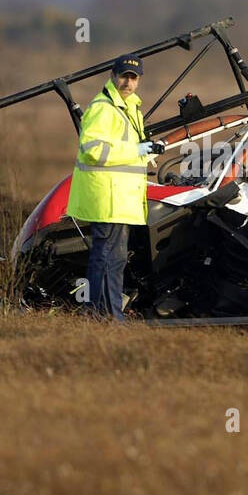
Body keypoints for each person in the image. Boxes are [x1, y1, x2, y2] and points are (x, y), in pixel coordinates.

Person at [66, 53, 165, 320]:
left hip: (120, 199)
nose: (128, 83)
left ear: (139, 80)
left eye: (133, 78)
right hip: (107, 199)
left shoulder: (130, 108)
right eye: (124, 76)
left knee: (113, 258)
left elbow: (127, 151)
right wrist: (137, 150)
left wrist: (147, 149)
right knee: (108, 256)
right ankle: (105, 316)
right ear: (113, 76)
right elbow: (92, 150)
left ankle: (101, 314)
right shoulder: (103, 108)